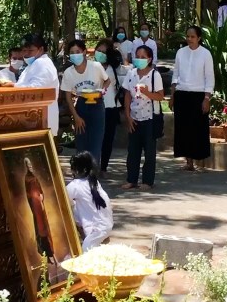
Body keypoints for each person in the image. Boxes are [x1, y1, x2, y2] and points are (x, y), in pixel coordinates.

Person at [170, 25, 214, 171]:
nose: (189, 39)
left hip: (198, 95)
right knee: (183, 129)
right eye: (188, 36)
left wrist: (207, 98)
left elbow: (209, 77)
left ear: (199, 38)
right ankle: (188, 161)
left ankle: (198, 160)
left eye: (193, 37)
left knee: (197, 128)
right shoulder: (180, 53)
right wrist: (172, 94)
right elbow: (175, 74)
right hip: (182, 94)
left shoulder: (205, 54)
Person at [61, 40, 110, 169]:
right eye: (71, 53)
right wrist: (76, 117)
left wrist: (102, 91)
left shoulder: (96, 67)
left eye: (77, 52)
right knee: (81, 144)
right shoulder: (68, 73)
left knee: (95, 144)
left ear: (84, 52)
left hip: (97, 105)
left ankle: (93, 177)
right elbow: (68, 96)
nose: (75, 55)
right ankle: (80, 174)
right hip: (81, 105)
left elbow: (107, 80)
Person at [122, 46, 164, 190]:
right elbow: (127, 94)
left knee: (149, 151)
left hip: (149, 117)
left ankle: (147, 181)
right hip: (134, 116)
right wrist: (127, 115)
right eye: (137, 56)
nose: (139, 59)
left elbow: (160, 96)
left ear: (149, 59)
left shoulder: (154, 75)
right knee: (133, 151)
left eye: (143, 57)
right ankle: (131, 179)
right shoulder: (131, 73)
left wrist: (147, 92)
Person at [67, 152, 113, 251]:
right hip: (106, 225)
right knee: (74, 204)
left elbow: (61, 199)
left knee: (86, 255)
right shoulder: (94, 182)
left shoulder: (76, 185)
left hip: (96, 229)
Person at [16, 33, 61, 137]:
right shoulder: (32, 65)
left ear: (40, 49)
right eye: (24, 50)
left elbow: (34, 91)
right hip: (34, 121)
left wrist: (11, 87)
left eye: (30, 50)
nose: (26, 54)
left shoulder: (42, 63)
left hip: (40, 121)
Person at [95, 39, 127, 175]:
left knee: (107, 138)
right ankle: (93, 165)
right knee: (95, 137)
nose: (101, 54)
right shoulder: (90, 66)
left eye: (104, 52)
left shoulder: (114, 68)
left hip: (110, 107)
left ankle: (103, 167)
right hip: (94, 106)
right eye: (99, 51)